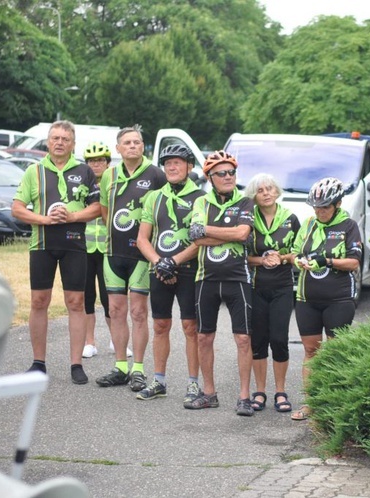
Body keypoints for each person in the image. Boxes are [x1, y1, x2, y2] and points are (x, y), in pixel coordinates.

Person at [11, 120, 101, 384]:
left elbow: (96, 208)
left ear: (73, 143)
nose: (59, 142)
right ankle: (38, 363)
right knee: (39, 302)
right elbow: (17, 208)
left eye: (65, 138)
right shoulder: (34, 171)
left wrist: (72, 215)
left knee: (76, 303)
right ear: (48, 142)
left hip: (74, 245)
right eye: (55, 138)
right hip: (42, 245)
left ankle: (76, 364)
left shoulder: (84, 171)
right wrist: (44, 219)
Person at [95, 125, 166, 392]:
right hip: (113, 252)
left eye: (137, 142)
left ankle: (138, 369)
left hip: (140, 254)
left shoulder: (156, 174)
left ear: (143, 146)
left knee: (138, 312)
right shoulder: (109, 175)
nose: (133, 146)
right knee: (115, 311)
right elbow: (104, 210)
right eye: (127, 143)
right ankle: (120, 366)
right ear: (118, 148)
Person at [187, 151, 256, 416]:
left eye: (231, 173)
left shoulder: (246, 201)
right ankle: (209, 393)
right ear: (210, 178)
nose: (228, 177)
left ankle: (244, 397)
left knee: (242, 339)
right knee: (204, 337)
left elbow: (242, 233)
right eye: (221, 173)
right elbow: (196, 240)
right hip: (206, 279)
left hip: (238, 278)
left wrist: (207, 230)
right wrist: (231, 236)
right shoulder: (201, 203)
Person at [135, 144, 205, 406]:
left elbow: (201, 240)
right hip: (159, 269)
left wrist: (173, 262)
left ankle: (193, 383)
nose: (172, 167)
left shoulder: (200, 197)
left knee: (191, 328)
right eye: (168, 163)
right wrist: (158, 262)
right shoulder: (154, 197)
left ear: (189, 166)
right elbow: (142, 238)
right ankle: (159, 381)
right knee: (160, 325)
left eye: (178, 162)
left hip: (188, 269)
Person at [290, 177, 362, 421]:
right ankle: (310, 403)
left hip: (339, 299)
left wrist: (328, 261)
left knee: (334, 351)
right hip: (307, 298)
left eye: (325, 207)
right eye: (316, 207)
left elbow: (353, 262)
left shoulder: (349, 226)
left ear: (338, 204)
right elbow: (295, 252)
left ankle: (335, 403)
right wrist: (298, 259)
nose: (319, 212)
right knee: (311, 350)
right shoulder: (309, 224)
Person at [244, 173, 300, 413]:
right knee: (258, 341)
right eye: (260, 190)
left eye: (270, 188)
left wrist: (283, 257)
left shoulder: (291, 219)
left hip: (283, 288)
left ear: (277, 191)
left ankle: (280, 391)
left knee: (279, 339)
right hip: (255, 287)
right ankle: (259, 391)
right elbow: (241, 256)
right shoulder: (247, 219)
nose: (266, 193)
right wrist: (261, 259)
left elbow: (299, 253)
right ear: (254, 196)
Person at [81, 142, 112, 359]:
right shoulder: (82, 184)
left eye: (100, 160)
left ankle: (115, 340)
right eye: (92, 161)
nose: (96, 164)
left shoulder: (114, 183)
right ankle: (89, 342)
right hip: (84, 247)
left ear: (108, 162)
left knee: (110, 295)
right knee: (86, 296)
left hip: (108, 247)